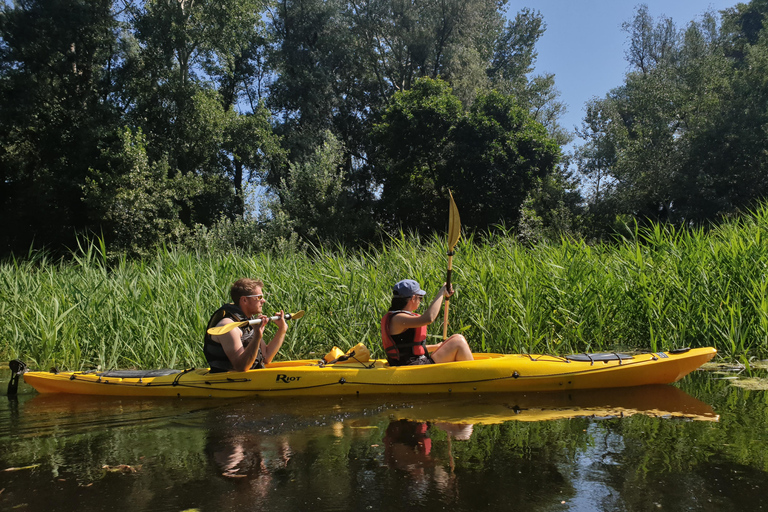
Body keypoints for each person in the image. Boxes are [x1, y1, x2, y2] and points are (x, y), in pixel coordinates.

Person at [381, 279, 473, 366]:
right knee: (458, 341)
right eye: (420, 298)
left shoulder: (397, 317)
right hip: (413, 366)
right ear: (413, 298)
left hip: (412, 363)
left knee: (454, 338)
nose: (420, 301)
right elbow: (429, 318)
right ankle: (474, 376)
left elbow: (407, 349)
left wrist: (436, 346)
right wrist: (441, 293)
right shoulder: (398, 318)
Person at [204, 278, 287, 372]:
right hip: (227, 380)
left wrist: (282, 329)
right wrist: (257, 336)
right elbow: (241, 367)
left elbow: (266, 357)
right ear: (244, 300)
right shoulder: (229, 327)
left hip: (248, 378)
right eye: (259, 297)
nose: (263, 301)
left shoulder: (249, 320)